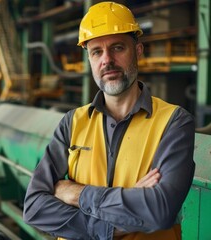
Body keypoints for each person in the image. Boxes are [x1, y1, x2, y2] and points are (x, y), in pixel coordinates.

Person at [23, 2, 195, 240]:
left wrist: (75, 194)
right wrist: (112, 224)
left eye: (117, 47)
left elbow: (159, 211)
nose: (107, 60)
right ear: (90, 59)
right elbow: (33, 207)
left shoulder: (174, 123)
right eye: (96, 52)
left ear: (138, 51)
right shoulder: (72, 122)